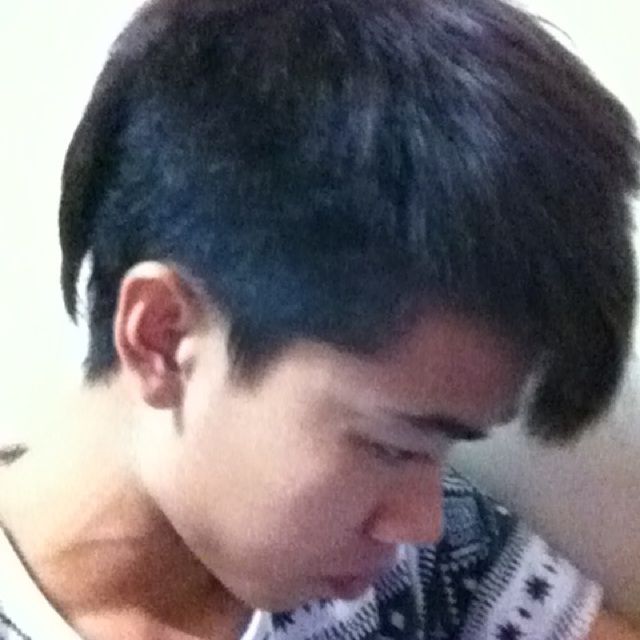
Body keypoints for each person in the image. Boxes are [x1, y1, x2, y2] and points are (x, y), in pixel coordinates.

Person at [1, 0, 639, 638]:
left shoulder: (431, 564)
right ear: (163, 338)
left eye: (439, 450)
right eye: (393, 447)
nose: (421, 524)